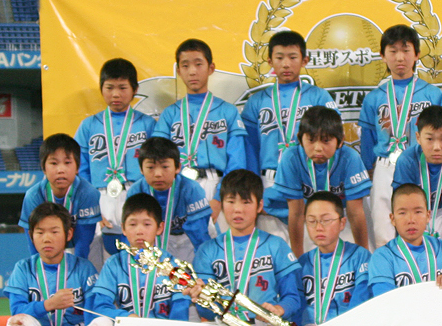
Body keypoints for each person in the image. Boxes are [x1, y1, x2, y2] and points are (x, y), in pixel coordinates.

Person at [359, 24, 442, 249]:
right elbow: (368, 139)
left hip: (421, 165)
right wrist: (370, 171)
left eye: (406, 50)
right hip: (385, 166)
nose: (400, 57)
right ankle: (387, 270)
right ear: (383, 56)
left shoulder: (432, 94)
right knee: (383, 230)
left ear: (417, 54)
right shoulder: (374, 98)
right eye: (393, 51)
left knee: (421, 226)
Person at [84, 193, 189, 326]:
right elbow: (100, 307)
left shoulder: (173, 265)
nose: (139, 231)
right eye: (132, 224)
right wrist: (125, 317)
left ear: (159, 228)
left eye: (147, 224)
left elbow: (180, 309)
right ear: (123, 228)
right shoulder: (114, 264)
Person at [153, 38, 247, 234]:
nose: (192, 71)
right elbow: (158, 158)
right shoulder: (169, 114)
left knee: (218, 247)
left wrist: (220, 198)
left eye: (198, 64)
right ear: (178, 71)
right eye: (185, 66)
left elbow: (237, 163)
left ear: (211, 68)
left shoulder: (228, 112)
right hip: (178, 186)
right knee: (179, 248)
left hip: (217, 187)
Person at [191, 169, 302, 322]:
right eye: (231, 202)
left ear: (259, 205)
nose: (238, 209)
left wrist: (278, 309)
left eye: (246, 202)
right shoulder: (207, 251)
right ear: (222, 204)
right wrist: (202, 298)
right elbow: (206, 312)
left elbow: (293, 298)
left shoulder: (276, 245)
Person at [74, 58, 155, 258]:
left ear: (135, 89)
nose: (116, 94)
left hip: (136, 193)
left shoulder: (148, 124)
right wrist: (91, 205)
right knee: (96, 255)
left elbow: (156, 165)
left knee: (139, 255)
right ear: (101, 89)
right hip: (98, 196)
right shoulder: (88, 126)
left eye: (122, 88)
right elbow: (80, 169)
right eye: (109, 88)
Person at [269, 106, 370, 257]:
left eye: (326, 141)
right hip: (308, 217)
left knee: (348, 257)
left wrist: (364, 255)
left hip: (342, 216)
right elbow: (296, 213)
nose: (318, 148)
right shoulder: (291, 158)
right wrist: (298, 257)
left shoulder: (350, 158)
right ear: (300, 139)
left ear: (340, 141)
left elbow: (355, 213)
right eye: (311, 140)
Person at [242, 30, 337, 179]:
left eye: (293, 57)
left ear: (304, 60)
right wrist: (253, 180)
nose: (286, 64)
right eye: (279, 58)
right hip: (270, 178)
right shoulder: (256, 101)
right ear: (270, 61)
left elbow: (332, 139)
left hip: (309, 175)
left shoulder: (319, 97)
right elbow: (250, 147)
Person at [392, 105, 442, 275]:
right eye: (429, 139)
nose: (437, 147)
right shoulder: (406, 160)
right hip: (416, 214)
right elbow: (403, 207)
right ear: (418, 137)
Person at [367, 184, 442, 297]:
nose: (411, 220)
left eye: (418, 212)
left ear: (428, 216)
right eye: (402, 213)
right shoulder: (382, 257)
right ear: (393, 219)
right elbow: (385, 300)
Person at [127, 137, 211, 263]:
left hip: (187, 239)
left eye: (165, 166)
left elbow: (199, 235)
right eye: (150, 167)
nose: (158, 174)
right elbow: (133, 233)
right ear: (141, 169)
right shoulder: (136, 191)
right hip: (153, 239)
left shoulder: (191, 189)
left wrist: (204, 265)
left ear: (178, 167)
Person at [19, 133, 101, 259]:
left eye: (67, 162)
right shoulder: (33, 196)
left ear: (77, 167)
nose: (61, 170)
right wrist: (40, 266)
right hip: (47, 249)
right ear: (43, 168)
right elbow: (33, 242)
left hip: (80, 250)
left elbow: (83, 242)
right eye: (54, 163)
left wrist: (76, 268)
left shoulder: (88, 193)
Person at [297, 191, 371, 326]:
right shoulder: (302, 263)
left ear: (342, 223)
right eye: (312, 221)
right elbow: (297, 304)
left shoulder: (359, 256)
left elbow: (362, 297)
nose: (319, 227)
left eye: (326, 220)